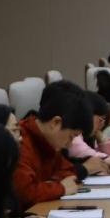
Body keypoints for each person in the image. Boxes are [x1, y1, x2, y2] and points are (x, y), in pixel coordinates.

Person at [13, 80, 91, 208]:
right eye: (71, 137)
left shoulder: (49, 142)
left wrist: (49, 185)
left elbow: (68, 172)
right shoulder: (19, 141)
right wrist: (60, 188)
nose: (69, 144)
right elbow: (25, 193)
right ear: (55, 123)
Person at [69, 91, 110, 173]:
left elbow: (99, 156)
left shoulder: (89, 137)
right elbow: (101, 160)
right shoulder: (75, 138)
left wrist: (102, 140)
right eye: (100, 120)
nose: (102, 125)